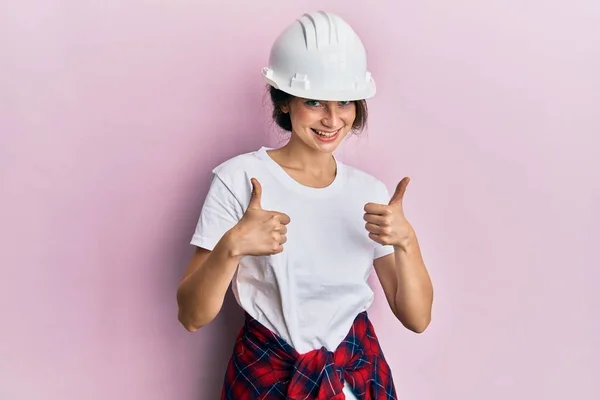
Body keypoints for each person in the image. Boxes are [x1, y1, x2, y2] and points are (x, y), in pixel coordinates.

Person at [176, 10, 433, 400]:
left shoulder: (369, 192)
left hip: (357, 381)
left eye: (345, 101)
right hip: (267, 380)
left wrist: (407, 242)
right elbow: (192, 316)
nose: (332, 119)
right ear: (284, 102)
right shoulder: (239, 179)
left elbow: (417, 318)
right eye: (314, 101)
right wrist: (232, 246)